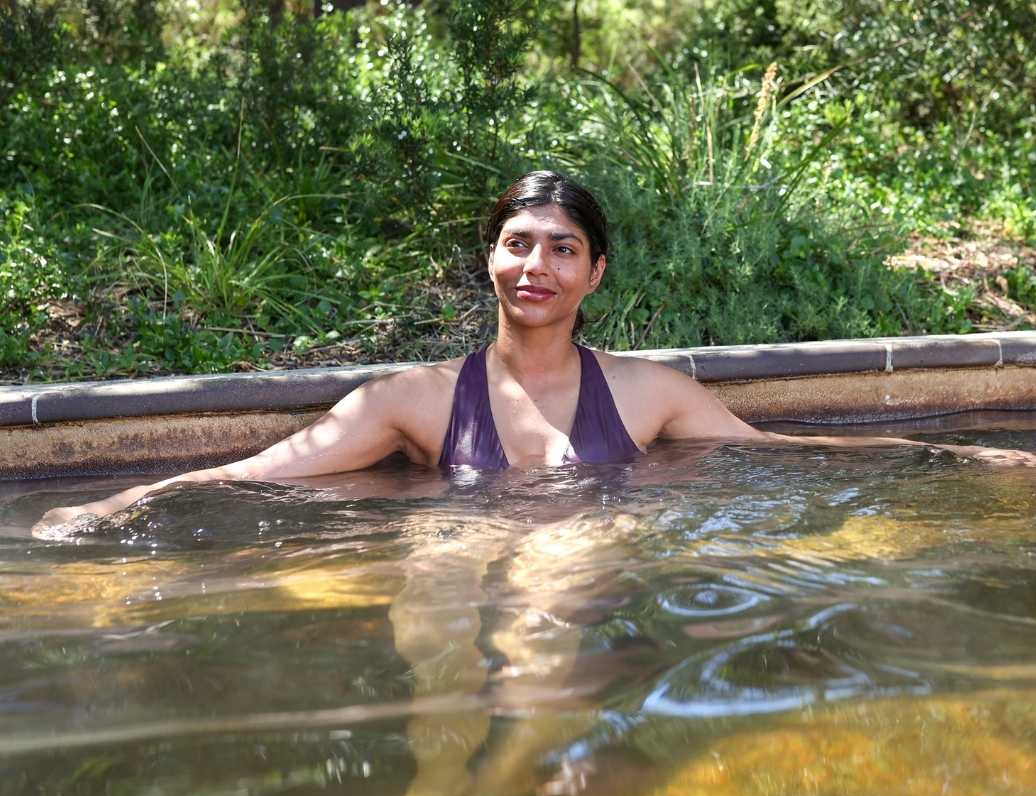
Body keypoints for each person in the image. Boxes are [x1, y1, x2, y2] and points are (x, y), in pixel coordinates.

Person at [31, 169, 1034, 538]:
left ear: (595, 272)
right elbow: (261, 472)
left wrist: (951, 456)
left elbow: (776, 449)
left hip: (583, 562)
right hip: (455, 561)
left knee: (561, 573)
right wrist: (122, 499)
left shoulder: (649, 395)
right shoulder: (411, 400)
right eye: (519, 244)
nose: (536, 266)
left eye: (563, 248)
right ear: (489, 260)